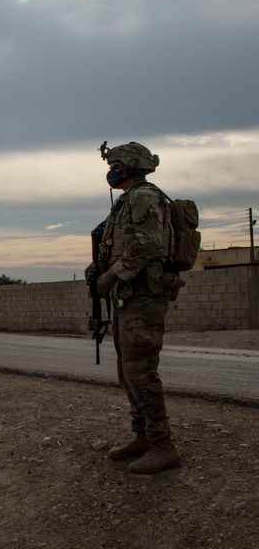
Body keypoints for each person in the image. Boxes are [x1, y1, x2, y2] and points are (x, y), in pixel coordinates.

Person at [87, 142, 181, 474]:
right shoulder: (128, 200)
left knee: (141, 371)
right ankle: (143, 438)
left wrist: (112, 275)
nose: (110, 171)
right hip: (128, 298)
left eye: (115, 165)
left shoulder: (144, 196)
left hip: (143, 299)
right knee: (128, 372)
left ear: (130, 166)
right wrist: (100, 271)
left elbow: (149, 243)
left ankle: (162, 445)